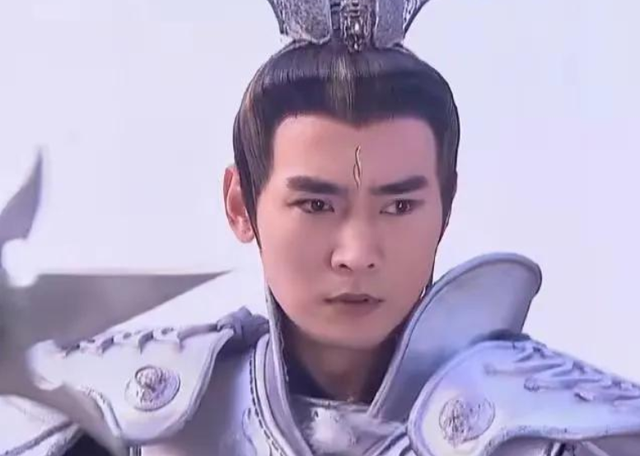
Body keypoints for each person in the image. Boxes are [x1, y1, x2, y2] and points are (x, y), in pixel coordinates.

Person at [1, 1, 639, 455]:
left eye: (399, 206)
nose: (357, 253)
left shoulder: (553, 437)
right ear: (240, 205)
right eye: (315, 205)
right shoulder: (125, 425)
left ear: (446, 206)